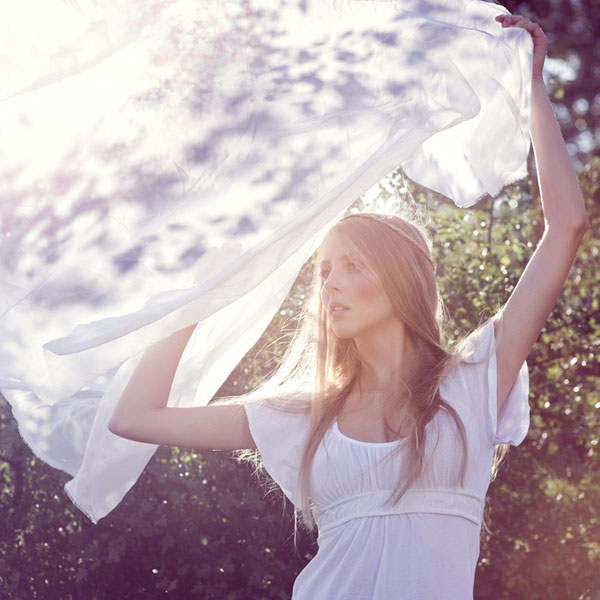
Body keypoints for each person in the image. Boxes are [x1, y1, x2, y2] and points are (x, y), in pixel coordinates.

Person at [108, 14, 589, 600]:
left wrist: (531, 84)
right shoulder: (303, 416)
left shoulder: (475, 378)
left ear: (401, 278)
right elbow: (134, 418)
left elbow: (566, 226)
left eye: (353, 265)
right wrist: (198, 297)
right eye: (325, 271)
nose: (331, 284)